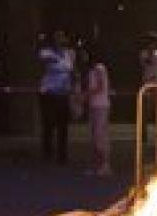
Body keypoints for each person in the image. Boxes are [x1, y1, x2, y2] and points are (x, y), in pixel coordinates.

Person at [37, 30, 77, 164]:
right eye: (57, 38)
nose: (60, 41)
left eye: (62, 38)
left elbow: (71, 70)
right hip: (49, 93)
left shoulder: (69, 54)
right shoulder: (46, 52)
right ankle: (47, 153)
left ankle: (62, 155)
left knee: (63, 125)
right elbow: (44, 59)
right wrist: (56, 57)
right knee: (48, 124)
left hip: (63, 93)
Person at [85, 51, 112, 176]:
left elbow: (100, 86)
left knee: (100, 136)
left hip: (101, 105)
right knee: (93, 136)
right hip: (93, 105)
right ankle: (95, 165)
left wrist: (86, 95)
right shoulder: (92, 70)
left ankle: (105, 165)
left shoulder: (100, 68)